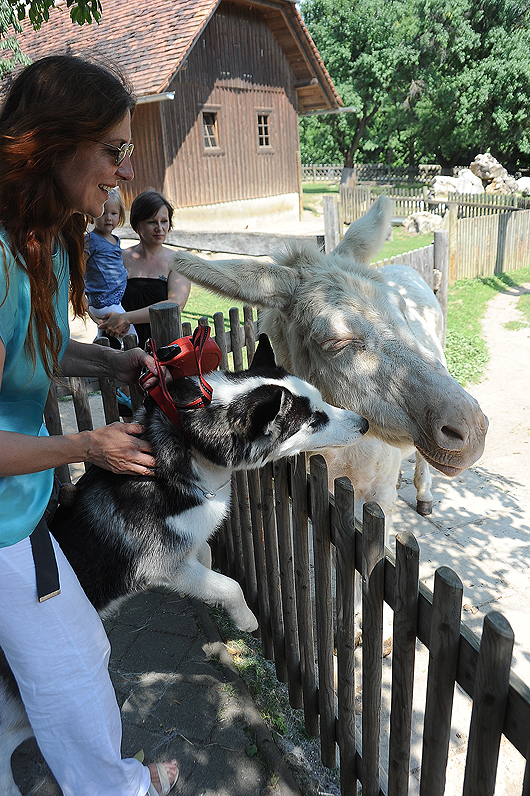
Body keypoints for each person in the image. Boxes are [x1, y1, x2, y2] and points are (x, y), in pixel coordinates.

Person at [0, 55, 179, 796]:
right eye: (112, 149)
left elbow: (34, 348)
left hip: (17, 511)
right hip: (2, 526)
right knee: (75, 666)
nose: (123, 172)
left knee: (44, 673)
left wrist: (112, 363)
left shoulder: (35, 243)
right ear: (52, 144)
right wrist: (85, 445)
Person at [99, 190, 191, 349]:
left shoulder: (178, 262)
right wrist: (104, 319)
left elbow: (175, 305)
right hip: (119, 346)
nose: (159, 228)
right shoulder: (119, 258)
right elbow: (97, 294)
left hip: (162, 348)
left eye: (164, 221)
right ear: (136, 224)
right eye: (151, 222)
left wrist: (126, 318)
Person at [84, 187, 137, 348]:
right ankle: (132, 358)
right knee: (130, 336)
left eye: (113, 213)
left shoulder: (115, 239)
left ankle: (100, 351)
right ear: (92, 215)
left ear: (120, 215)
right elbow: (79, 266)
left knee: (105, 338)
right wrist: (80, 295)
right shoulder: (91, 240)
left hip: (114, 298)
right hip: (104, 301)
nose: (108, 218)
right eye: (103, 213)